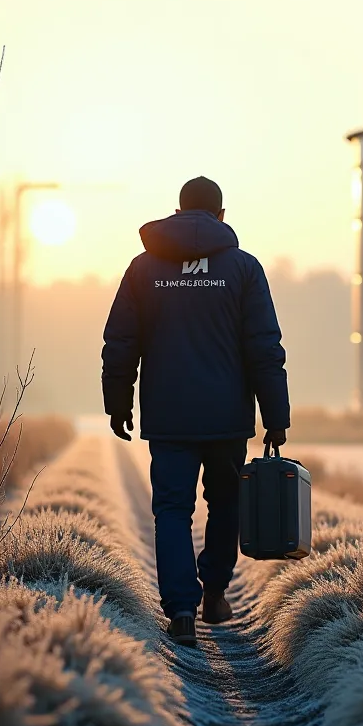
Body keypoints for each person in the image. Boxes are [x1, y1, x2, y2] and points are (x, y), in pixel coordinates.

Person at [101, 175, 289, 646]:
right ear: (221, 216)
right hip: (226, 417)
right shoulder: (244, 269)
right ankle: (216, 594)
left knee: (171, 509)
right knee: (225, 502)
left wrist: (118, 402)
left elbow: (120, 343)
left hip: (167, 416)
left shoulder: (144, 269)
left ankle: (181, 610)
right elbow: (264, 348)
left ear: (179, 211)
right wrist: (276, 415)